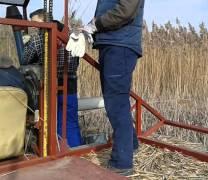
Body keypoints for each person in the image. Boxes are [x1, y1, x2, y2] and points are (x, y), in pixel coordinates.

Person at [92, 0, 145, 175]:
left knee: (116, 103)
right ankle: (131, 144)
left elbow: (126, 10)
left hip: (119, 44)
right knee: (118, 100)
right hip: (114, 42)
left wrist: (96, 24)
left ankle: (121, 164)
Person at [24, 9, 82, 147]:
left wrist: (25, 43)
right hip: (70, 82)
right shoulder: (70, 35)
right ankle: (76, 150)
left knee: (51, 121)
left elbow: (25, 59)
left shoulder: (39, 38)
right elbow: (77, 58)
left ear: (45, 20)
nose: (33, 26)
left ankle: (56, 150)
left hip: (50, 84)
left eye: (35, 22)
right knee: (70, 121)